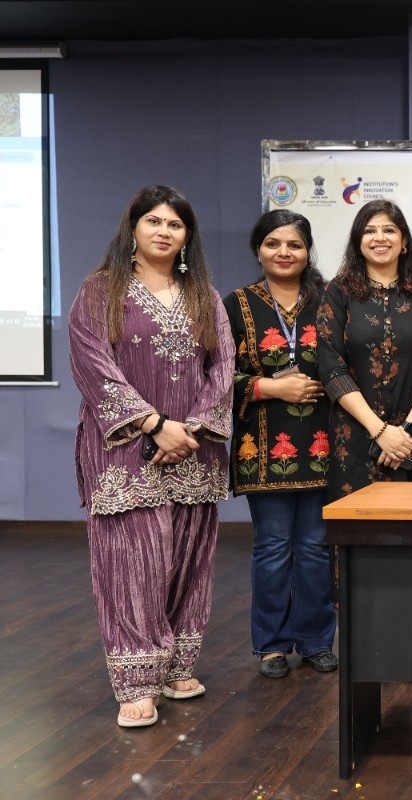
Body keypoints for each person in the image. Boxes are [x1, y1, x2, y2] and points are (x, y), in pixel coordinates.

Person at [68, 185, 233, 728]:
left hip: (193, 451)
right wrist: (155, 425)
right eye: (154, 221)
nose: (164, 231)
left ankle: (175, 667)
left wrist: (191, 429)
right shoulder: (100, 291)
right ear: (133, 229)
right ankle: (137, 681)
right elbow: (94, 366)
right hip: (125, 452)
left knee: (187, 560)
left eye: (175, 224)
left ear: (187, 237)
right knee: (132, 562)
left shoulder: (204, 295)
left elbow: (222, 368)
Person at [224, 209, 337, 679]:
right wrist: (271, 387)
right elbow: (213, 379)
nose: (284, 252)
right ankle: (271, 645)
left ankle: (315, 641)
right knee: (272, 548)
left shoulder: (329, 300)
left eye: (294, 244)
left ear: (308, 251)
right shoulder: (235, 304)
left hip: (325, 445)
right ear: (258, 250)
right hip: (263, 447)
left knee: (316, 548)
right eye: (273, 243)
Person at [317, 199, 412, 499]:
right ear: (357, 241)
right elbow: (331, 367)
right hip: (354, 436)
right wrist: (380, 431)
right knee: (357, 524)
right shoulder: (338, 291)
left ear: (404, 241)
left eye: (389, 230)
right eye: (369, 231)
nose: (379, 238)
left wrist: (406, 432)